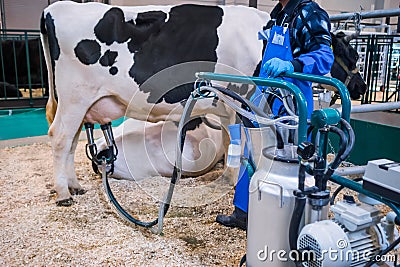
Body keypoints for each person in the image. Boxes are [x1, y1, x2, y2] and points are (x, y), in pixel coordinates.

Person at [216, 0, 334, 230]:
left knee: (283, 161)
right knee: (250, 153)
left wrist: (293, 64)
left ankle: (277, 219)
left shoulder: (308, 13)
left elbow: (325, 55)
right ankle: (243, 213)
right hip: (266, 96)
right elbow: (267, 59)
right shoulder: (277, 14)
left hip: (292, 101)